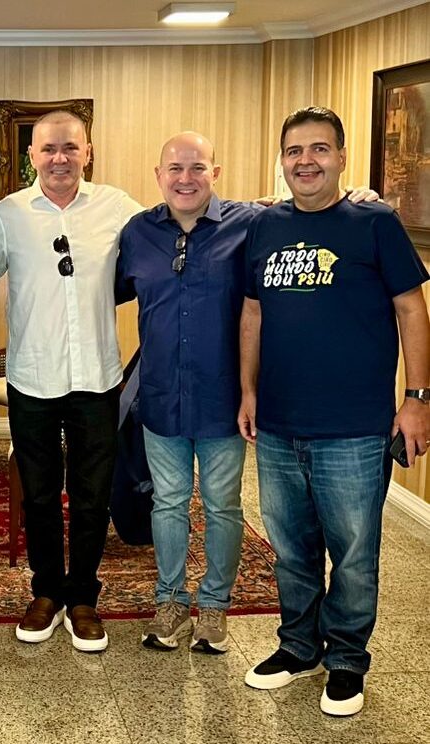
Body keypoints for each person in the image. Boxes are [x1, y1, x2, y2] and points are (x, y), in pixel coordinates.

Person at [115, 131, 378, 655]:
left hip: (223, 399)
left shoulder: (251, 223)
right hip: (161, 397)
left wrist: (358, 198)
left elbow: (307, 210)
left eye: (197, 167)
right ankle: (170, 602)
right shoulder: (137, 232)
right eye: (174, 168)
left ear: (216, 172)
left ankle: (214, 606)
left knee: (221, 505)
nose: (185, 178)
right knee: (167, 503)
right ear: (158, 175)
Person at [238, 106, 430, 717]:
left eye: (319, 149)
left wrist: (417, 399)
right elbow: (252, 312)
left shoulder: (374, 223)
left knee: (353, 553)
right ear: (282, 160)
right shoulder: (265, 227)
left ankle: (346, 660)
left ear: (342, 157)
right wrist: (247, 391)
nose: (306, 161)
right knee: (291, 549)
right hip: (279, 423)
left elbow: (411, 308)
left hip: (354, 428)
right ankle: (298, 646)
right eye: (294, 150)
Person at [0, 111, 143, 651]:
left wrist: (258, 210)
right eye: (49, 149)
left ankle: (83, 598)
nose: (60, 158)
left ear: (87, 152)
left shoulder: (118, 208)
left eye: (70, 148)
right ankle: (47, 592)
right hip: (32, 375)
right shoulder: (9, 214)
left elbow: (175, 227)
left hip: (96, 376)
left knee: (93, 495)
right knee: (40, 494)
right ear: (32, 156)